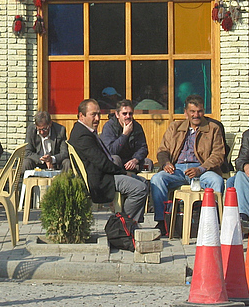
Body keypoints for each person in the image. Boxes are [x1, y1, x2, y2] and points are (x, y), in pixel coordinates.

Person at [150, 94, 226, 236]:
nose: (196, 115)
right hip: (177, 170)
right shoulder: (175, 127)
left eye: (199, 111)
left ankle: (213, 222)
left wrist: (200, 169)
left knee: (217, 181)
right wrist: (166, 163)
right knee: (157, 179)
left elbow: (218, 154)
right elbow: (162, 150)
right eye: (192, 112)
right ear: (186, 112)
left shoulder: (213, 128)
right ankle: (162, 221)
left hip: (202, 169)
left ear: (204, 111)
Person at [68, 99, 148, 223]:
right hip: (101, 180)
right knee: (140, 188)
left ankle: (133, 224)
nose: (97, 118)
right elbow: (102, 162)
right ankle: (124, 225)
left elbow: (143, 147)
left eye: (99, 114)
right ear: (81, 116)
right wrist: (122, 172)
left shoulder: (86, 131)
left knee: (142, 181)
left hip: (105, 173)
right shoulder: (82, 135)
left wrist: (134, 161)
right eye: (93, 114)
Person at [98, 100, 150, 173]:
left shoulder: (137, 127)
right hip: (117, 162)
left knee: (148, 163)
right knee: (115, 159)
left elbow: (143, 148)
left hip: (131, 161)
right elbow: (111, 151)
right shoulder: (109, 127)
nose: (128, 116)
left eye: (130, 114)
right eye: (124, 114)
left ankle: (144, 183)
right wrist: (125, 135)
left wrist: (135, 160)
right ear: (117, 114)